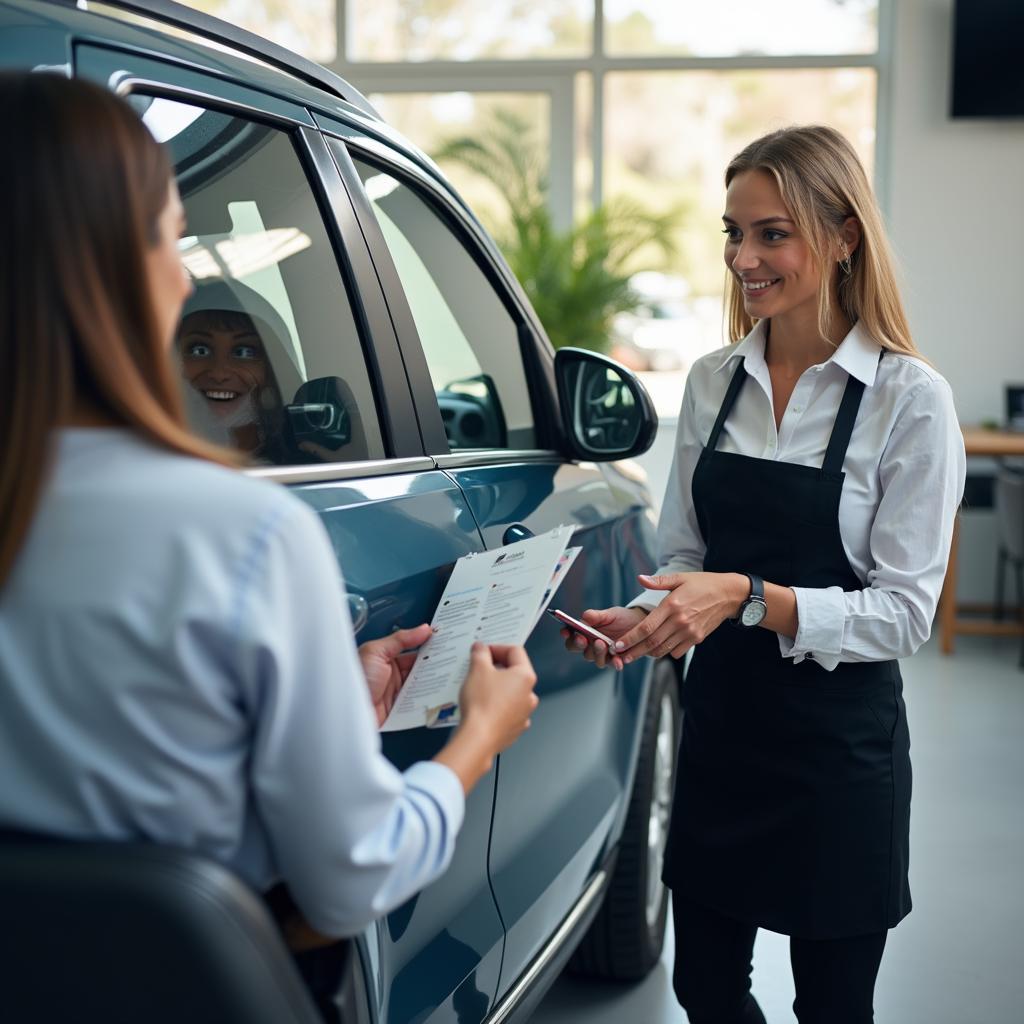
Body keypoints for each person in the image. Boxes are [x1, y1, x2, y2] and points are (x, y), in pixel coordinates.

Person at [0, 70, 539, 1011]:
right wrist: (477, 742)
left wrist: (332, 691)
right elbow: (350, 879)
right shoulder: (241, 534)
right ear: (121, 270)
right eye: (174, 236)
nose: (183, 272)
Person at [562, 125, 965, 1024]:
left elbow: (904, 615)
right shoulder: (713, 381)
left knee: (831, 1006)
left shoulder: (910, 401)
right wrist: (646, 616)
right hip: (724, 734)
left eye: (771, 233)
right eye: (733, 232)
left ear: (844, 234)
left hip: (839, 754)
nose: (743, 258)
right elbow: (685, 559)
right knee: (703, 987)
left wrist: (749, 599)